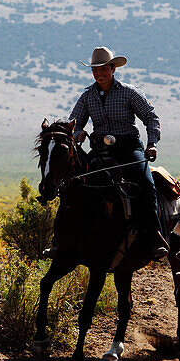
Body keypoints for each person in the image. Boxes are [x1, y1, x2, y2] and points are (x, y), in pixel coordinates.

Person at [69, 47, 167, 259]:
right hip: (99, 150)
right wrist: (77, 134)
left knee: (146, 183)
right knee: (75, 182)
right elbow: (74, 123)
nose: (99, 73)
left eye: (103, 69)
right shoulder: (87, 97)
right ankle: (65, 239)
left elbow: (151, 118)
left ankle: (154, 235)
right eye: (95, 70)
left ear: (113, 69)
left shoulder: (130, 92)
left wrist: (152, 144)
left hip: (128, 148)